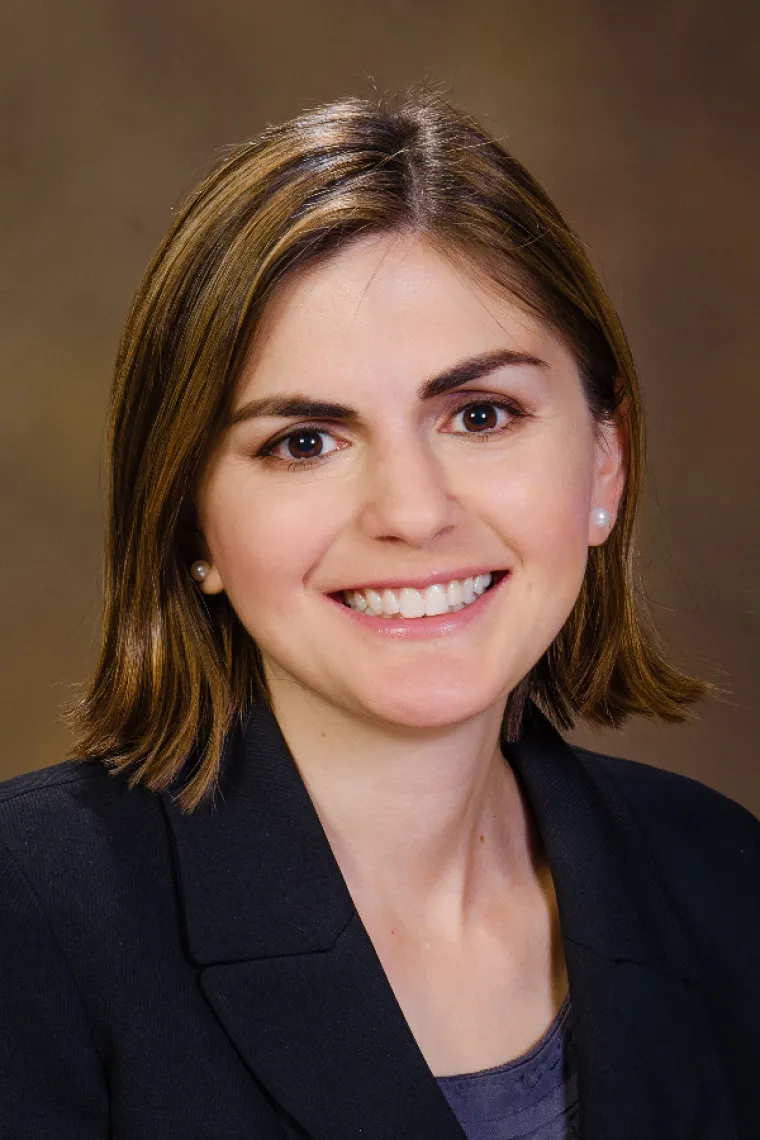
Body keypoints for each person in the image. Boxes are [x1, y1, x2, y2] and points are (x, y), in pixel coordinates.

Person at [1, 87, 758, 1140]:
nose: (411, 512)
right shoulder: (29, 920)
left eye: (480, 415)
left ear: (602, 462)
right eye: (304, 441)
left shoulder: (723, 883)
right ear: (190, 526)